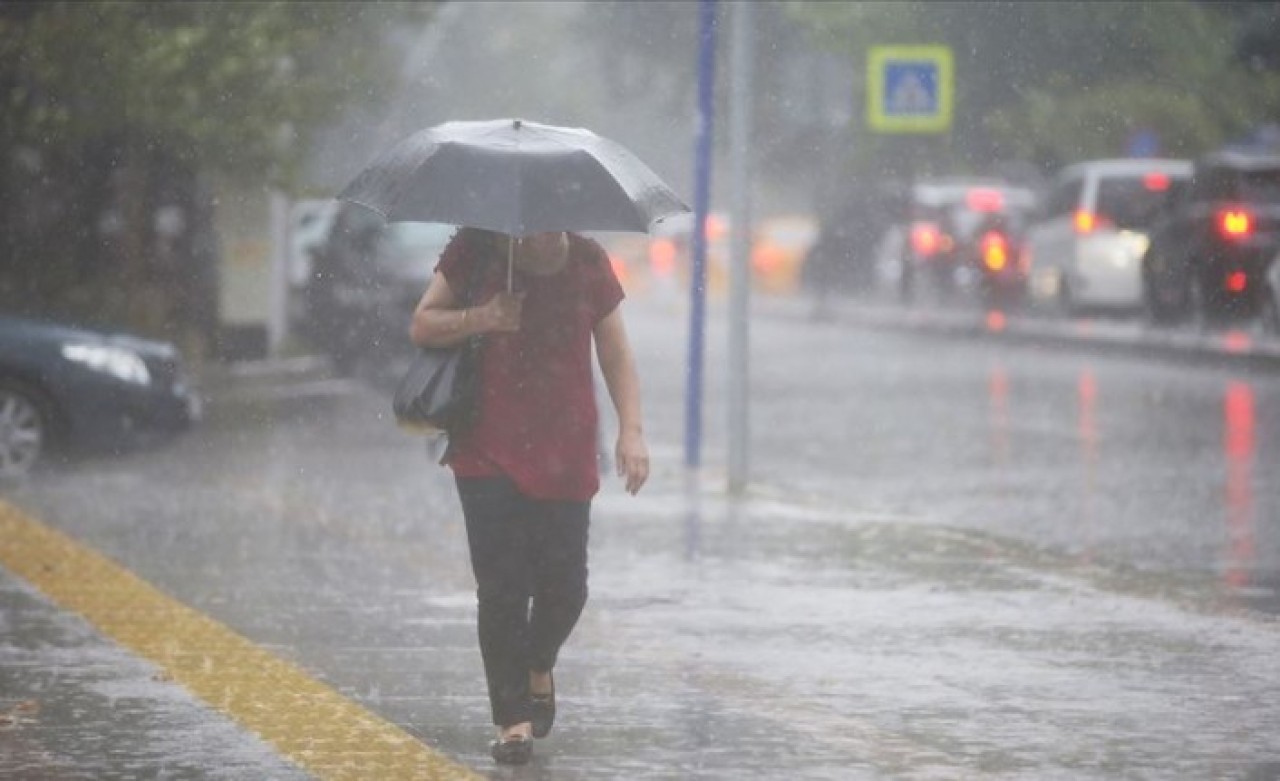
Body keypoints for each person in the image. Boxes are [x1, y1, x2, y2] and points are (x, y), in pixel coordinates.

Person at [408, 227, 649, 765]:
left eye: (555, 217)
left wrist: (631, 429)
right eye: (534, 219)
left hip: (566, 448)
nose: (543, 230)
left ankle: (539, 663)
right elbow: (423, 323)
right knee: (502, 590)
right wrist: (484, 317)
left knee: (567, 588)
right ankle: (511, 719)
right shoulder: (476, 249)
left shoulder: (587, 260)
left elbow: (614, 352)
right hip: (486, 448)